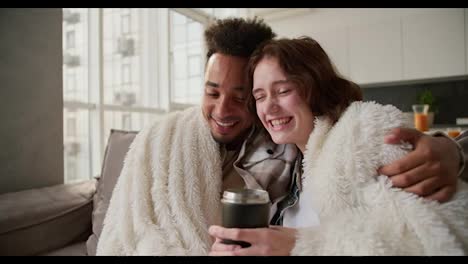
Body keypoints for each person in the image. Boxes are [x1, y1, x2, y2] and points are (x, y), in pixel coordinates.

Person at [96, 18, 466, 255]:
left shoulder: (304, 146)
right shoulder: (173, 141)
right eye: (212, 92)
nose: (223, 110)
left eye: (243, 96)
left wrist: (455, 149)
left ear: (310, 86)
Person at [208, 36, 468, 256]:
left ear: (316, 86)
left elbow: (428, 240)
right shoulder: (291, 162)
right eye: (260, 96)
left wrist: (302, 245)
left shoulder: (362, 134)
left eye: (283, 91)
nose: (270, 107)